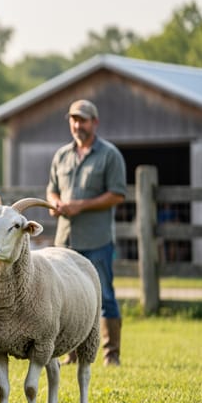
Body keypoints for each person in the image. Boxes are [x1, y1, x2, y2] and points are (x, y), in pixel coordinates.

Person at [47, 99, 127, 366]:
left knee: (104, 296)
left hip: (97, 239)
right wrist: (55, 202)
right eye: (73, 119)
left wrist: (82, 206)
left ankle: (111, 355)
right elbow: (52, 188)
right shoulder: (62, 155)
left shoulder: (109, 155)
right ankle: (70, 353)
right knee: (67, 297)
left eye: (82, 120)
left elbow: (117, 194)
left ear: (95, 122)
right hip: (65, 240)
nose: (77, 125)